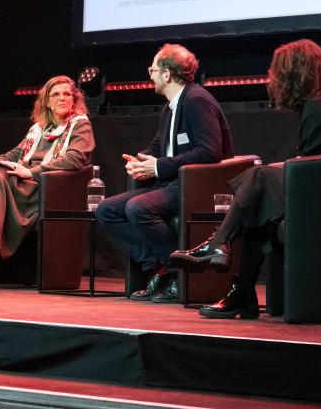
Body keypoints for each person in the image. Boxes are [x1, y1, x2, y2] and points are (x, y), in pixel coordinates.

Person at [169, 39, 321, 319]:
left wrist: (276, 170)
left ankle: (218, 245)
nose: (272, 78)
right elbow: (312, 164)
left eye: (276, 72)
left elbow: (311, 169)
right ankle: (242, 292)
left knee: (258, 178)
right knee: (261, 213)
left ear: (294, 72)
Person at [95, 44, 233, 303]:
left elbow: (210, 151)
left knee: (138, 207)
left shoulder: (196, 100)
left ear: (168, 74)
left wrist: (157, 167)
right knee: (107, 210)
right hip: (171, 183)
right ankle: (159, 268)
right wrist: (140, 161)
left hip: (196, 185)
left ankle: (179, 273)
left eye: (153, 69)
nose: (150, 75)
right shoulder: (171, 106)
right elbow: (159, 145)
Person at [0, 75, 95, 289]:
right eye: (56, 95)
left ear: (74, 100)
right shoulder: (39, 129)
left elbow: (74, 159)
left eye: (67, 94)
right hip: (25, 184)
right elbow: (15, 154)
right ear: (47, 102)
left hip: (49, 189)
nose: (62, 98)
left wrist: (32, 172)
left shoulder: (80, 125)